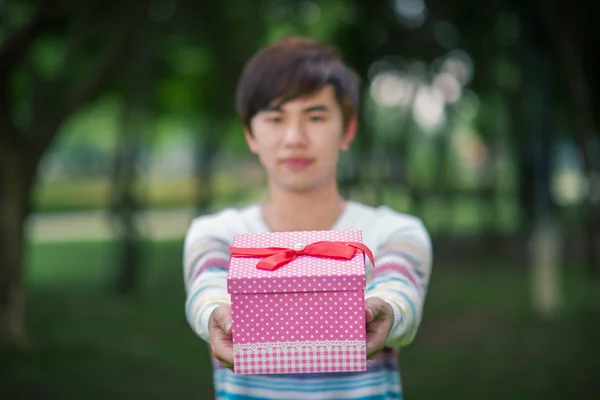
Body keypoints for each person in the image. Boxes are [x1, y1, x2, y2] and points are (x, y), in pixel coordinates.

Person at [183, 36, 432, 400]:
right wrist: (216, 316)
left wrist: (386, 312)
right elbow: (208, 289)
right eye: (275, 117)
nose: (294, 138)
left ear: (347, 129)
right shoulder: (217, 234)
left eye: (315, 116)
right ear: (250, 133)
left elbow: (400, 290)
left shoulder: (395, 231)